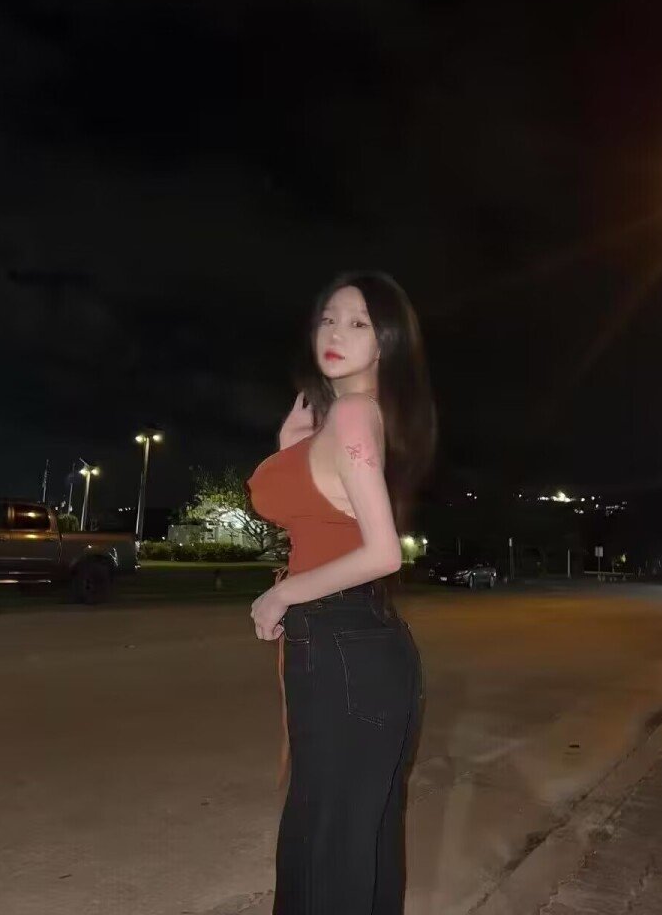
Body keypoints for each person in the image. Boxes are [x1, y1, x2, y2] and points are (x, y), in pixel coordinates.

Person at [247, 270, 437, 914]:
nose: (335, 333)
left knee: (330, 850)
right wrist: (292, 448)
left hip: (343, 648)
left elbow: (382, 552)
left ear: (387, 342)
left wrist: (282, 595)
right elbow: (319, 521)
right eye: (328, 318)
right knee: (353, 843)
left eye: (359, 323)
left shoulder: (355, 414)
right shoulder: (348, 418)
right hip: (350, 646)